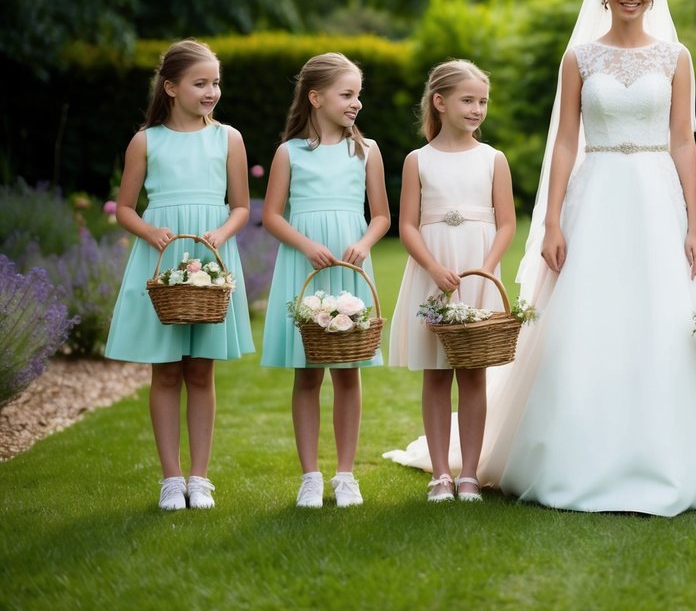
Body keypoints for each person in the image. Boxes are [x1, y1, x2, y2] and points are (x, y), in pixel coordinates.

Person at [473, 0, 696, 516]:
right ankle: (573, 456)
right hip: (594, 195)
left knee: (663, 318)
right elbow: (566, 141)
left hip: (656, 196)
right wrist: (550, 220)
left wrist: (695, 223)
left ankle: (667, 455)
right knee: (586, 317)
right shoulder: (580, 58)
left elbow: (681, 140)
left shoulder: (676, 56)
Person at [105, 39, 254, 510]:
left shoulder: (228, 138)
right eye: (200, 83)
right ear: (171, 87)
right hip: (163, 258)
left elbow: (242, 207)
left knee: (201, 372)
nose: (211, 91)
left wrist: (219, 234)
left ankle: (200, 476)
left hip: (210, 258)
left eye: (216, 83)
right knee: (165, 372)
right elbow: (125, 209)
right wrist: (151, 233)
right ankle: (171, 479)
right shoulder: (145, 141)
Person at [260, 53, 390, 508]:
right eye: (347, 94)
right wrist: (305, 245)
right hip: (307, 264)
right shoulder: (289, 152)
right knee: (308, 372)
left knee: (349, 371)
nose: (356, 103)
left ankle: (346, 474)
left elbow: (382, 216)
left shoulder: (366, 150)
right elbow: (272, 216)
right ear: (316, 98)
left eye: (359, 95)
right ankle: (310, 475)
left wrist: (366, 242)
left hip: (349, 266)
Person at [387, 60, 515, 503]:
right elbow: (406, 225)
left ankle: (469, 473)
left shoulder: (493, 159)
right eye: (468, 100)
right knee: (436, 375)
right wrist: (433, 268)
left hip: (478, 269)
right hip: (433, 269)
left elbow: (505, 224)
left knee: (473, 372)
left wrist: (485, 269)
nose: (477, 108)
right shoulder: (417, 160)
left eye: (482, 101)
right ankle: (441, 473)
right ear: (440, 102)